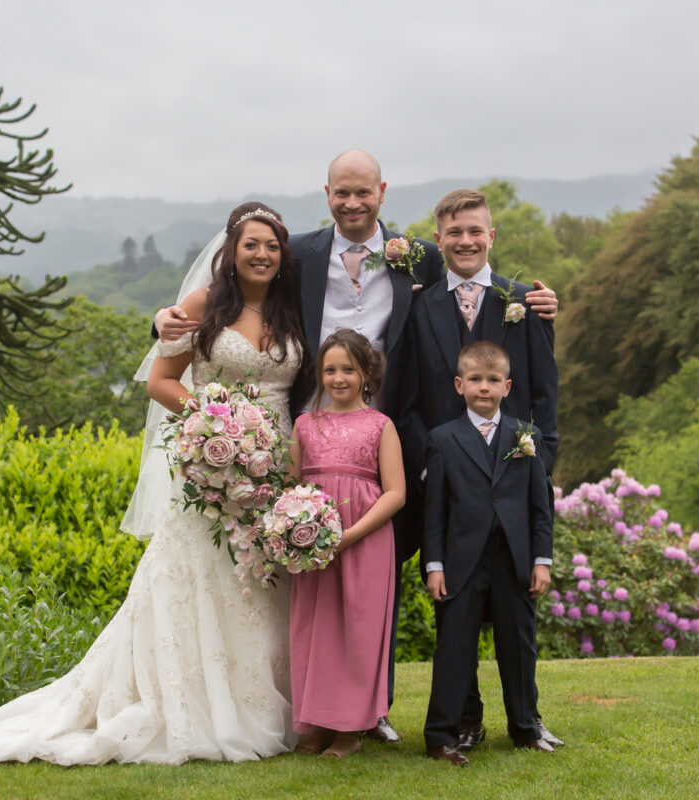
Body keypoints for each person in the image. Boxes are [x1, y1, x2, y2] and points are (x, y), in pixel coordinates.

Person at [0, 202, 307, 770]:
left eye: (271, 246)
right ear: (231, 252)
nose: (262, 254)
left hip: (277, 467)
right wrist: (216, 423)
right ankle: (199, 706)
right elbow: (160, 381)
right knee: (204, 578)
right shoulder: (200, 307)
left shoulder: (293, 309)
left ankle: (274, 703)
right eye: (251, 245)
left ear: (282, 254)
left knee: (262, 586)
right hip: (214, 465)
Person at [156, 150, 560, 744]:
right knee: (305, 575)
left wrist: (539, 299)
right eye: (341, 193)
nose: (352, 202)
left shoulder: (416, 254)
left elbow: (473, 273)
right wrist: (164, 325)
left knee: (379, 579)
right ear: (327, 195)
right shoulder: (301, 255)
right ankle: (309, 706)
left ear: (382, 192)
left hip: (392, 434)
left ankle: (375, 710)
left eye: (362, 192)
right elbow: (237, 290)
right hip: (307, 433)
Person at [401, 188, 562, 751]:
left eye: (475, 231)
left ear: (491, 236)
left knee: (520, 620)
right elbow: (410, 399)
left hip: (515, 487)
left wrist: (541, 467)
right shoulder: (419, 308)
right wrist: (428, 471)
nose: (465, 241)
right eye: (454, 232)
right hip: (446, 491)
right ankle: (463, 719)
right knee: (456, 620)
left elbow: (543, 392)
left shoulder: (525, 301)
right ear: (438, 238)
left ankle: (529, 720)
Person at [421, 341, 553, 767]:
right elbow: (435, 510)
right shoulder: (442, 439)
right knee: (454, 650)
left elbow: (540, 507)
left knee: (518, 647)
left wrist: (541, 560)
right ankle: (442, 736)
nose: (484, 387)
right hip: (461, 562)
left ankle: (525, 728)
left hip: (514, 562)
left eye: (493, 380)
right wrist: (434, 565)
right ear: (460, 385)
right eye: (475, 380)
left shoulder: (526, 437)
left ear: (507, 386)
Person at [286, 330, 405, 758]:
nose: (338, 378)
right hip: (314, 543)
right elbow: (290, 484)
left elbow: (395, 492)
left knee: (357, 629)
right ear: (319, 374)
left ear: (367, 373)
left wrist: (350, 535)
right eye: (330, 369)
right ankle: (316, 724)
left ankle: (351, 730)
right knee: (313, 628)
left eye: (348, 369)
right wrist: (295, 527)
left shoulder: (381, 425)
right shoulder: (305, 423)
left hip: (364, 538)